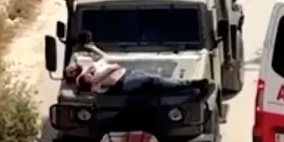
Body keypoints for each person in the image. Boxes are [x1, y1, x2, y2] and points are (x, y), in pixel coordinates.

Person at [64, 31, 211, 97]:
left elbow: (106, 58)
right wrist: (110, 70)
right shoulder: (83, 79)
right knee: (156, 82)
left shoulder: (90, 67)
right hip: (123, 82)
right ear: (72, 75)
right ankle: (194, 86)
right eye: (69, 70)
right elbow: (95, 81)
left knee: (158, 84)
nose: (70, 67)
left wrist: (93, 48)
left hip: (128, 74)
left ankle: (192, 89)